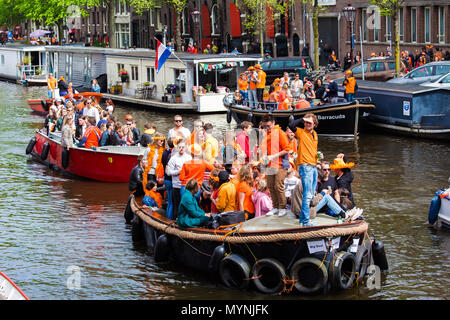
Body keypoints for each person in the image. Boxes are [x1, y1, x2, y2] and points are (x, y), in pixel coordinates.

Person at [288, 113, 319, 226]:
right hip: (305, 166)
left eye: (310, 122)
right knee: (307, 195)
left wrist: (318, 157)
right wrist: (302, 118)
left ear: (314, 124)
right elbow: (291, 124)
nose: (307, 124)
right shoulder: (301, 132)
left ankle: (302, 219)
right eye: (306, 122)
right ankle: (306, 221)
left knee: (311, 194)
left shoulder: (315, 134)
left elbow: (313, 150)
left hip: (314, 165)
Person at [259, 115, 290, 217]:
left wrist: (273, 156)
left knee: (278, 186)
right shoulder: (267, 134)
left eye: (268, 126)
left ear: (273, 123)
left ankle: (282, 207)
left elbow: (286, 149)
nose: (267, 128)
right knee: (271, 186)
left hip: (281, 164)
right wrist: (263, 156)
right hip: (269, 164)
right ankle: (275, 207)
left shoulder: (280, 133)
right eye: (265, 126)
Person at [166, 140, 192, 219]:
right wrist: (178, 172)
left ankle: (184, 221)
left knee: (185, 205)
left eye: (183, 147)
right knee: (176, 205)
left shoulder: (189, 157)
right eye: (180, 147)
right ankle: (175, 222)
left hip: (186, 186)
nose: (181, 149)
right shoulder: (173, 158)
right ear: (177, 148)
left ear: (186, 148)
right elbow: (168, 172)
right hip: (177, 185)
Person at [162, 138, 175, 219]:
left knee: (170, 201)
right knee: (172, 202)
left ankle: (167, 217)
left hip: (166, 179)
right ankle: (169, 219)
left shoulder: (164, 152)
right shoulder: (172, 154)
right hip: (171, 179)